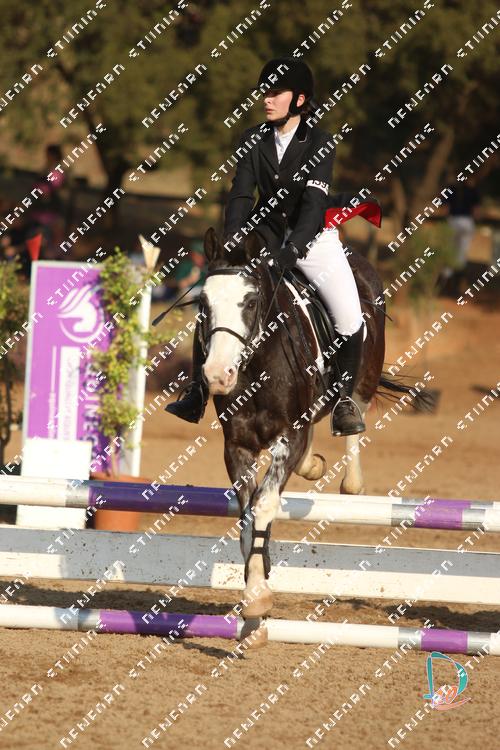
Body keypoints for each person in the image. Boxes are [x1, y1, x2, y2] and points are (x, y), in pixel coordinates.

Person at [166, 57, 366, 436]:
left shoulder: (320, 143)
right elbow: (241, 195)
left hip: (313, 238)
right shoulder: (252, 139)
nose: (266, 99)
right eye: (265, 93)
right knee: (220, 295)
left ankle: (343, 401)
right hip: (265, 234)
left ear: (299, 100)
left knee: (349, 316)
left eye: (275, 93)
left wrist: (294, 250)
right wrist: (233, 241)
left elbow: (313, 207)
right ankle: (197, 390)